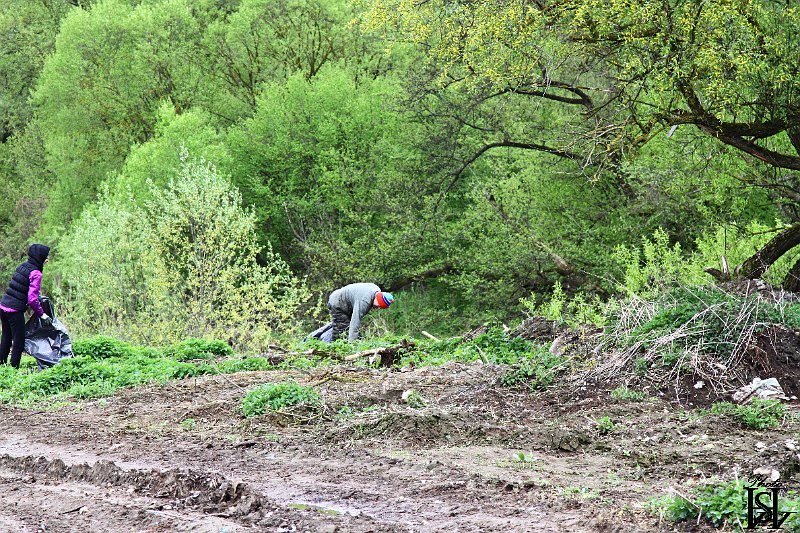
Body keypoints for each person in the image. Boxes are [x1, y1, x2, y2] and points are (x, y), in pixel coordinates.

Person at [0, 244, 51, 368]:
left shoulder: (22, 266)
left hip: (3, 305)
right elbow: (32, 299)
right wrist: (42, 314)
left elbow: (23, 287)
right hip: (14, 310)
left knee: (6, 336)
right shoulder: (36, 273)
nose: (47, 259)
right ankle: (13, 368)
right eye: (46, 256)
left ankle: (1, 365)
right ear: (40, 257)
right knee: (19, 341)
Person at [328, 283, 394, 341]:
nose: (378, 308)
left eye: (381, 307)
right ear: (377, 299)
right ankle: (333, 349)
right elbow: (355, 323)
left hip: (347, 304)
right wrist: (352, 344)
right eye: (379, 305)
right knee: (341, 330)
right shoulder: (364, 301)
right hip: (337, 302)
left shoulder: (376, 290)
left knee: (349, 330)